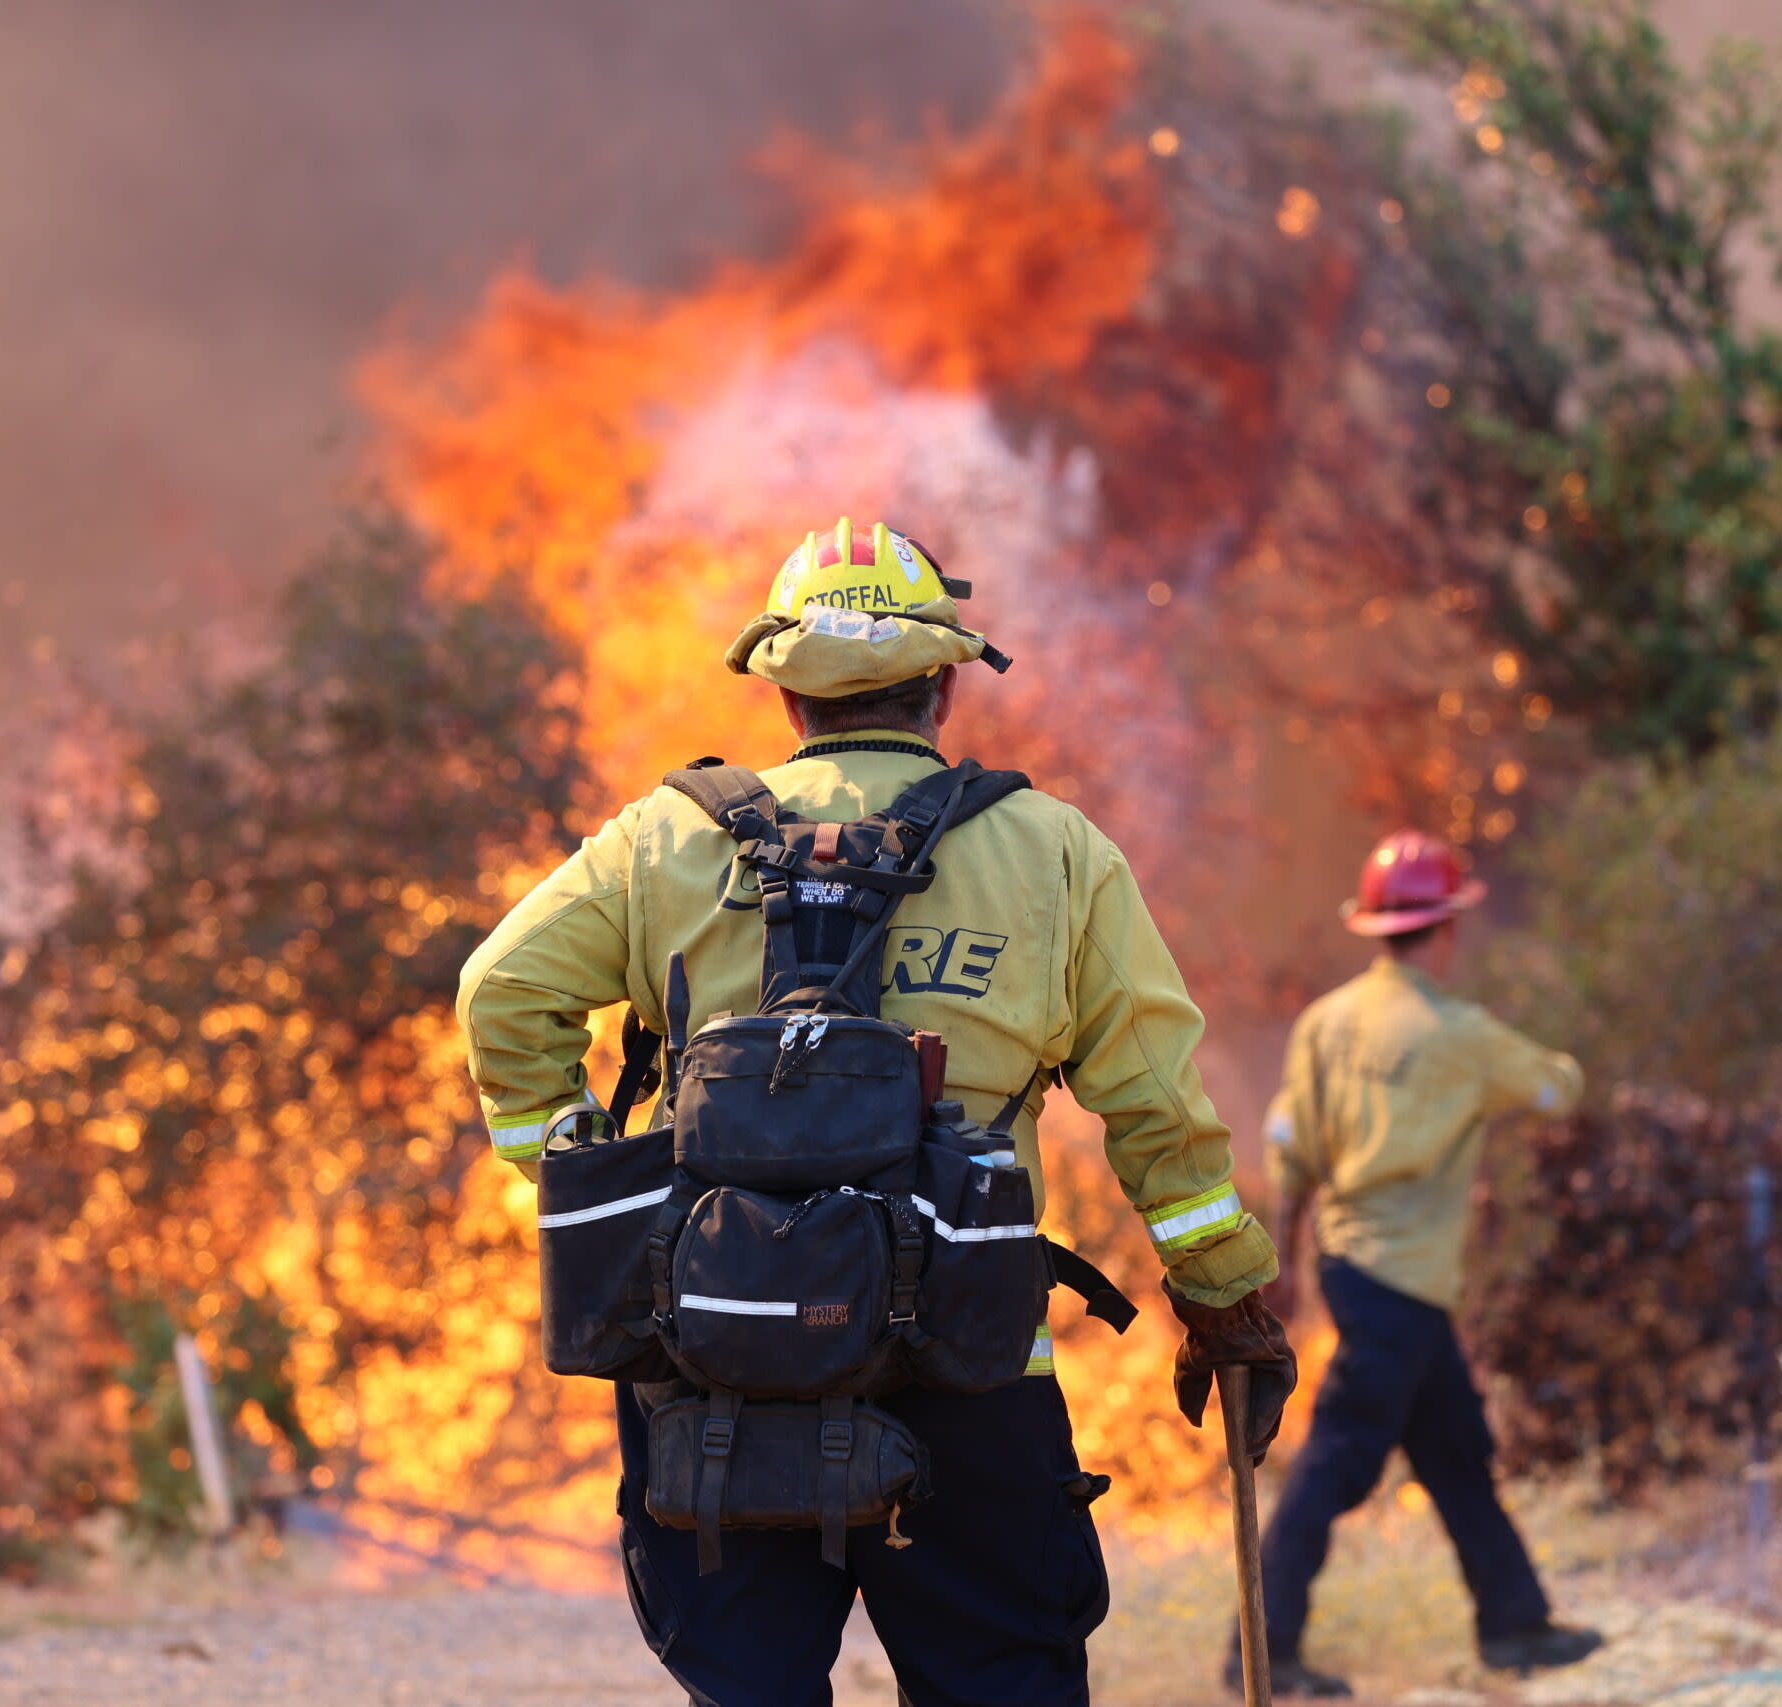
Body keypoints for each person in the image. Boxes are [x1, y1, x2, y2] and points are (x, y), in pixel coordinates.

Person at [459, 518, 1296, 1707]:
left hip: (716, 1362)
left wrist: (581, 1180)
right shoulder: (1053, 853)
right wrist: (1222, 1300)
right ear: (943, 684)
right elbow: (1158, 1112)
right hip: (970, 1365)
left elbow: (501, 994)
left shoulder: (667, 839)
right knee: (1000, 1680)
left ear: (787, 696)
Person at [1241, 830, 1601, 1698]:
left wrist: (1282, 1268)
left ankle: (1515, 1624)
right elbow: (1559, 1088)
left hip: (1356, 1272)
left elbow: (1289, 1154)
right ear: (1445, 929)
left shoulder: (1325, 1023)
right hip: (1400, 1285)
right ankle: (1261, 1651)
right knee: (1334, 1465)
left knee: (1454, 1453)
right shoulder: (1462, 1034)